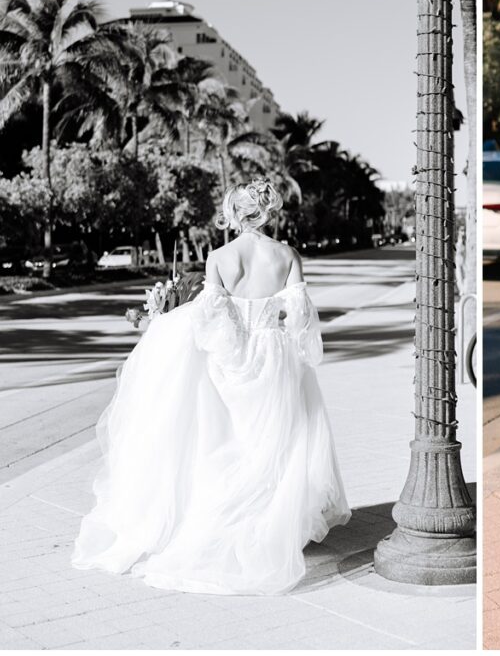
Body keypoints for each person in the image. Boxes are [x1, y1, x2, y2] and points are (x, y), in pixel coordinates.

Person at [72, 179, 351, 595]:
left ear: (235, 214)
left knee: (229, 441)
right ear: (268, 211)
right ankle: (268, 528)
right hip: (276, 356)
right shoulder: (287, 255)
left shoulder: (219, 257)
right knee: (276, 442)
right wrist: (286, 347)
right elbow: (300, 318)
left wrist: (232, 356)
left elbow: (212, 320)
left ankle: (230, 525)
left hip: (231, 358)